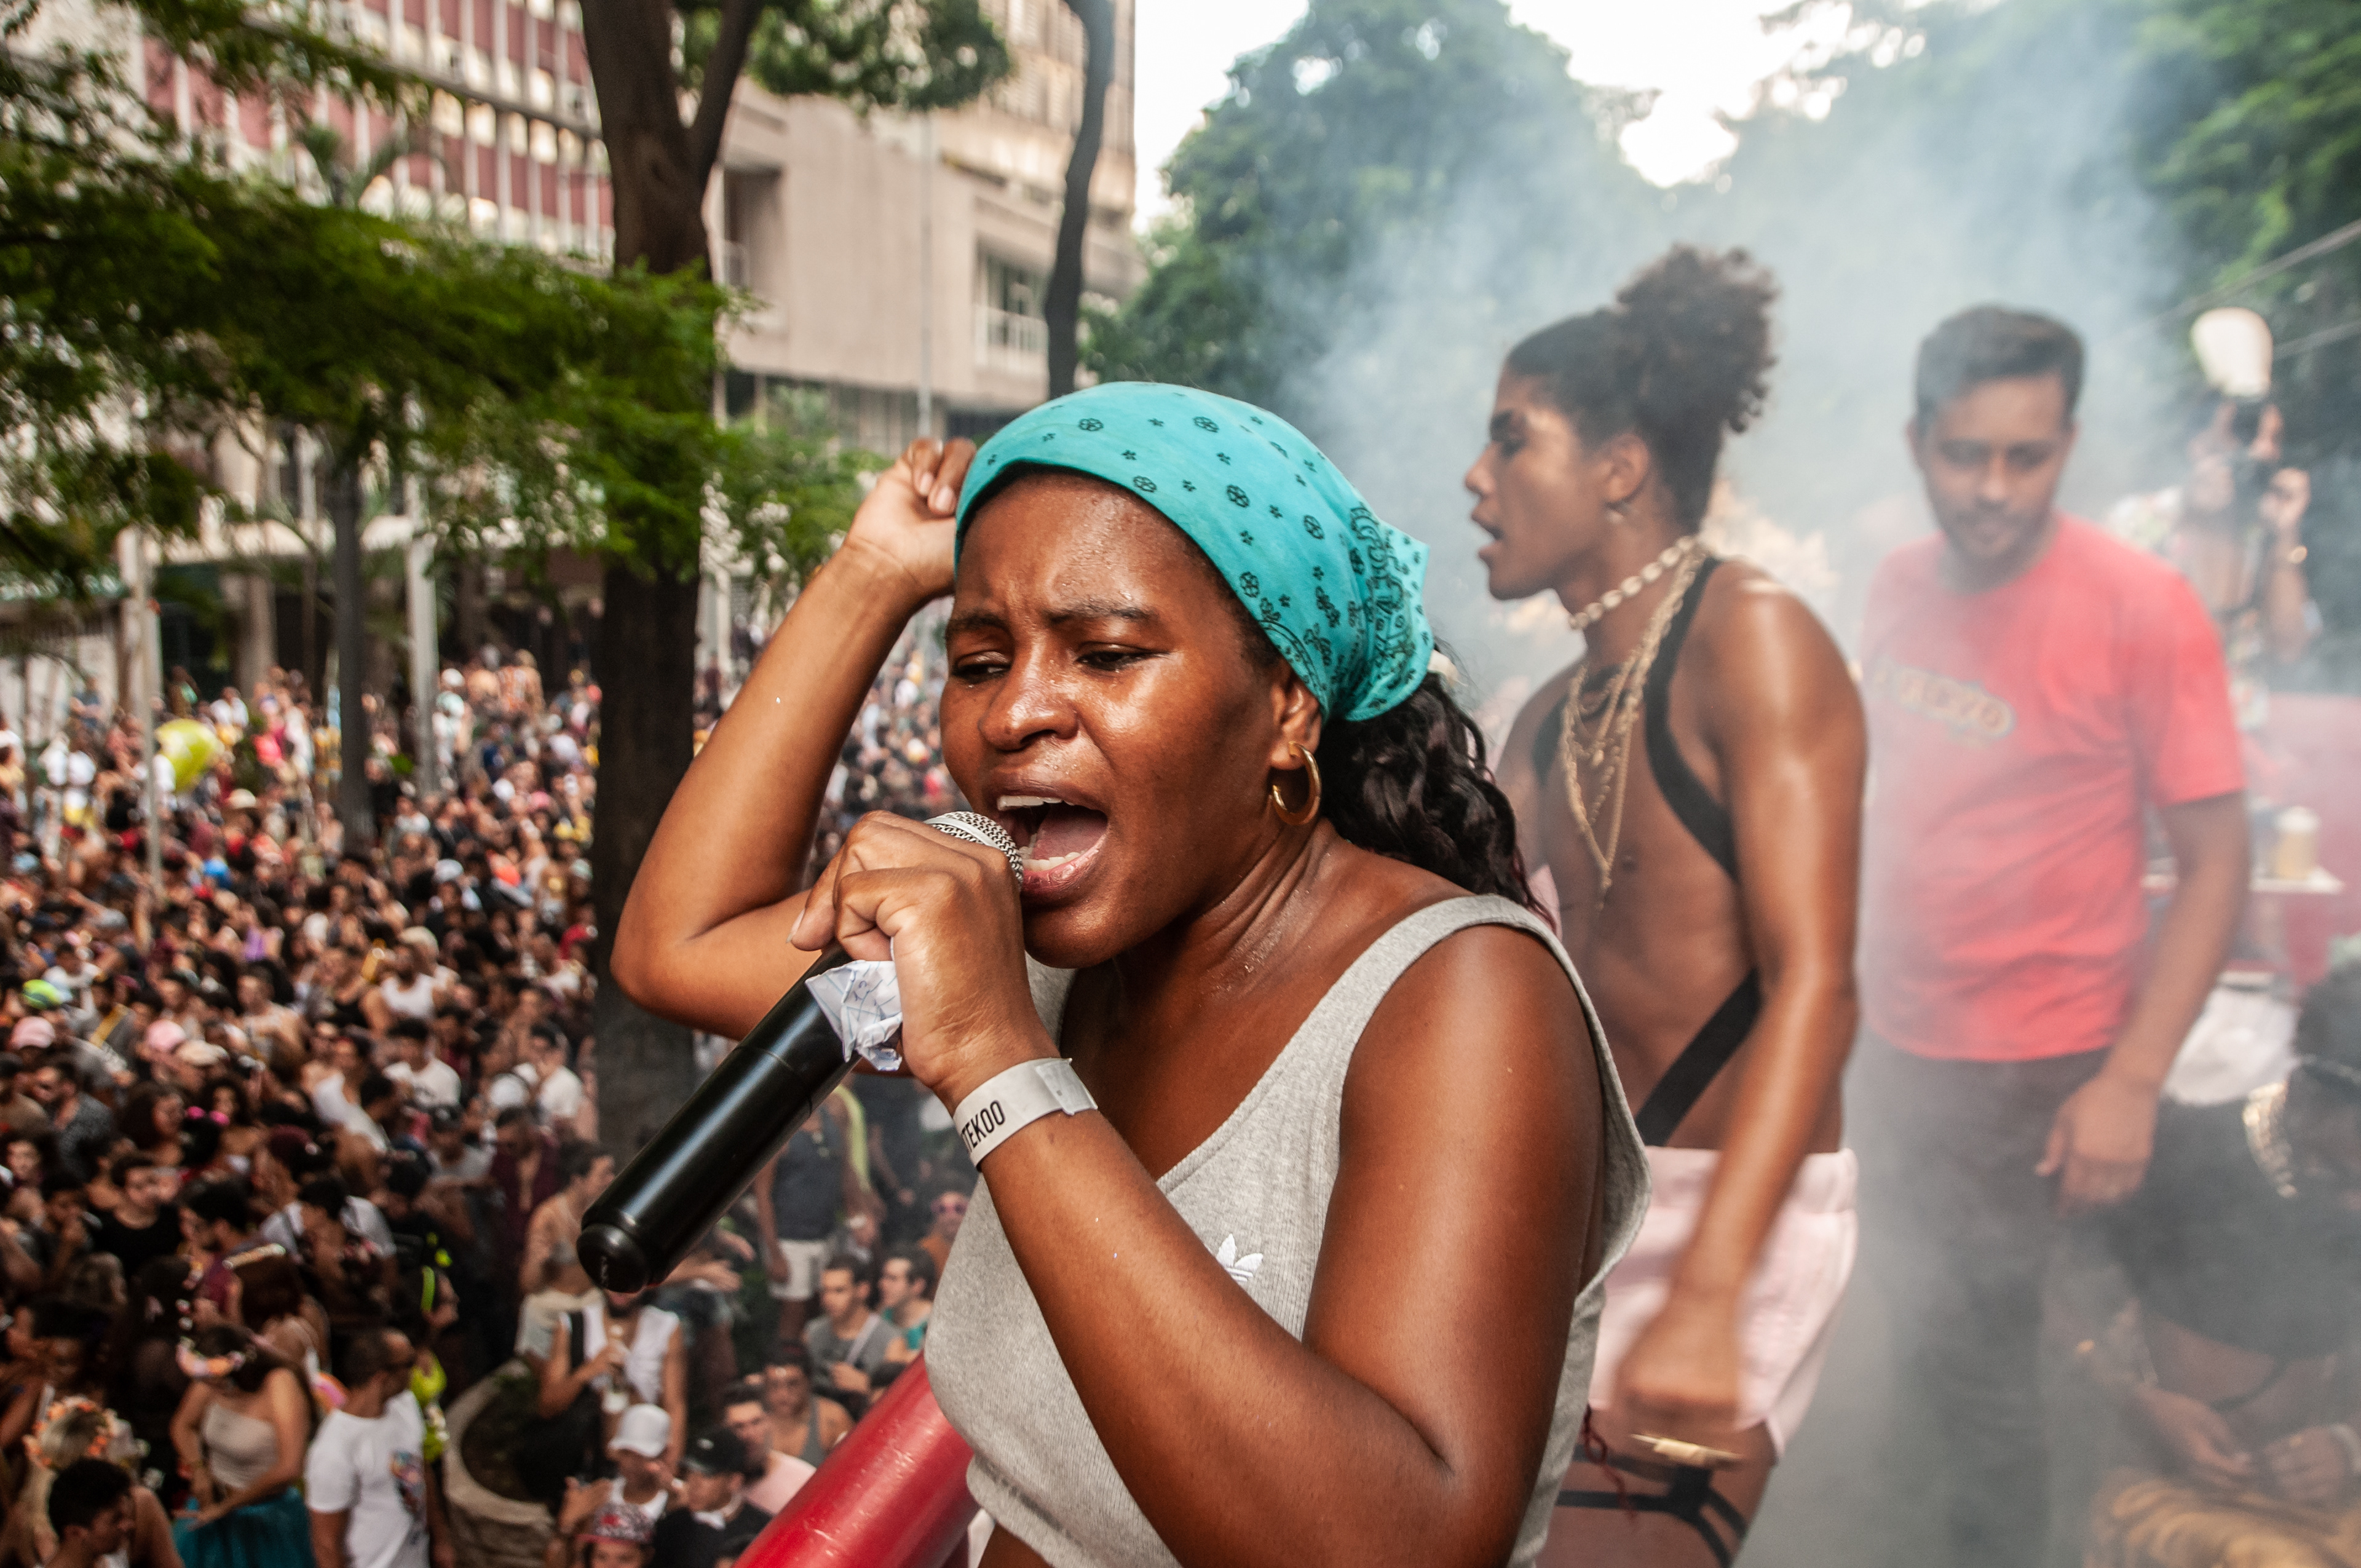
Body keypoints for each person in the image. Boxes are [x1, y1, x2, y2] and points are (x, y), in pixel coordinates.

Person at [613, 380, 1645, 1567]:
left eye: (1105, 655)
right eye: (979, 660)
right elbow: (679, 946)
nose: (1015, 713)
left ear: (1287, 703)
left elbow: (1399, 1544)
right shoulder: (1056, 955)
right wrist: (873, 574)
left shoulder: (1461, 996)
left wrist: (1000, 1066)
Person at [1471, 247, 1865, 1565]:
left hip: (1731, 1225)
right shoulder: (1542, 720)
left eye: (1511, 439)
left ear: (1621, 467)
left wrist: (1708, 1292)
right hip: (1582, 1228)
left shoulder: (1754, 638)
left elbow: (1818, 985)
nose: (1476, 478)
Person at [1856, 306, 2251, 1566]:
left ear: (2068, 444)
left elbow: (2219, 863)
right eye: (1965, 453)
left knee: (2007, 1386)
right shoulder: (1894, 585)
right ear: (1918, 441)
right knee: (1916, 1342)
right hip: (1897, 1048)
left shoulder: (2144, 605)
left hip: (2048, 1069)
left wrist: (2131, 1080)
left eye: (2026, 456)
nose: (1993, 487)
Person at [2080, 962, 2361, 1567]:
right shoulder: (2179, 1153)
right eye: (2343, 1177)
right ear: (2305, 1096)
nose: (2356, 1207)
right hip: (2161, 1484)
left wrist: (2349, 1448)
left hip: (2326, 1502)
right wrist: (2136, 1400)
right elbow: (2048, 1297)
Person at [168, 1324, 315, 1566]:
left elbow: (289, 1468)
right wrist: (199, 1470)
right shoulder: (210, 1380)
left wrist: (229, 1506)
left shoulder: (279, 1383)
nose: (209, 1388)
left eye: (217, 1383)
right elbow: (183, 1425)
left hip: (266, 1518)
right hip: (213, 1507)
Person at [304, 1327, 451, 1568]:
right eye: (409, 1363)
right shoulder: (334, 1449)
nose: (416, 1368)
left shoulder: (405, 1404)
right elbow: (326, 1544)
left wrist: (441, 1540)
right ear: (381, 1377)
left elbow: (421, 1469)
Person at [648, 1428, 770, 1568]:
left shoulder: (763, 1531)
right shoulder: (672, 1526)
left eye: (706, 1475)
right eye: (690, 1472)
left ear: (734, 1481)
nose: (694, 1483)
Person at [802, 1254, 890, 1409]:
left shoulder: (890, 1341)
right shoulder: (812, 1332)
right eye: (825, 1291)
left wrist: (866, 1386)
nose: (829, 1299)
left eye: (839, 1291)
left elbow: (899, 1402)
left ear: (862, 1290)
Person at [720, 1380, 813, 1515]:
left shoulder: (803, 1480)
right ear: (724, 1430)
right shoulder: (713, 1485)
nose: (749, 1434)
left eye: (756, 1422)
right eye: (738, 1427)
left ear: (769, 1421)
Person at [92, 1155, 184, 1281]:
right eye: (138, 1187)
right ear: (120, 1191)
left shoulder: (174, 1216)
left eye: (153, 1182)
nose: (150, 1191)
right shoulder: (106, 1230)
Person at [755, 1345, 848, 1468]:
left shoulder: (832, 1418)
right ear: (764, 1384)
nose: (783, 1394)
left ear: (808, 1382)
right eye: (774, 1385)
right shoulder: (750, 1420)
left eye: (792, 1384)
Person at [876, 1246, 936, 1372]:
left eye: (893, 1279)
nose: (882, 1284)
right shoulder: (882, 1313)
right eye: (884, 1277)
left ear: (918, 1285)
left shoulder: (935, 1323)